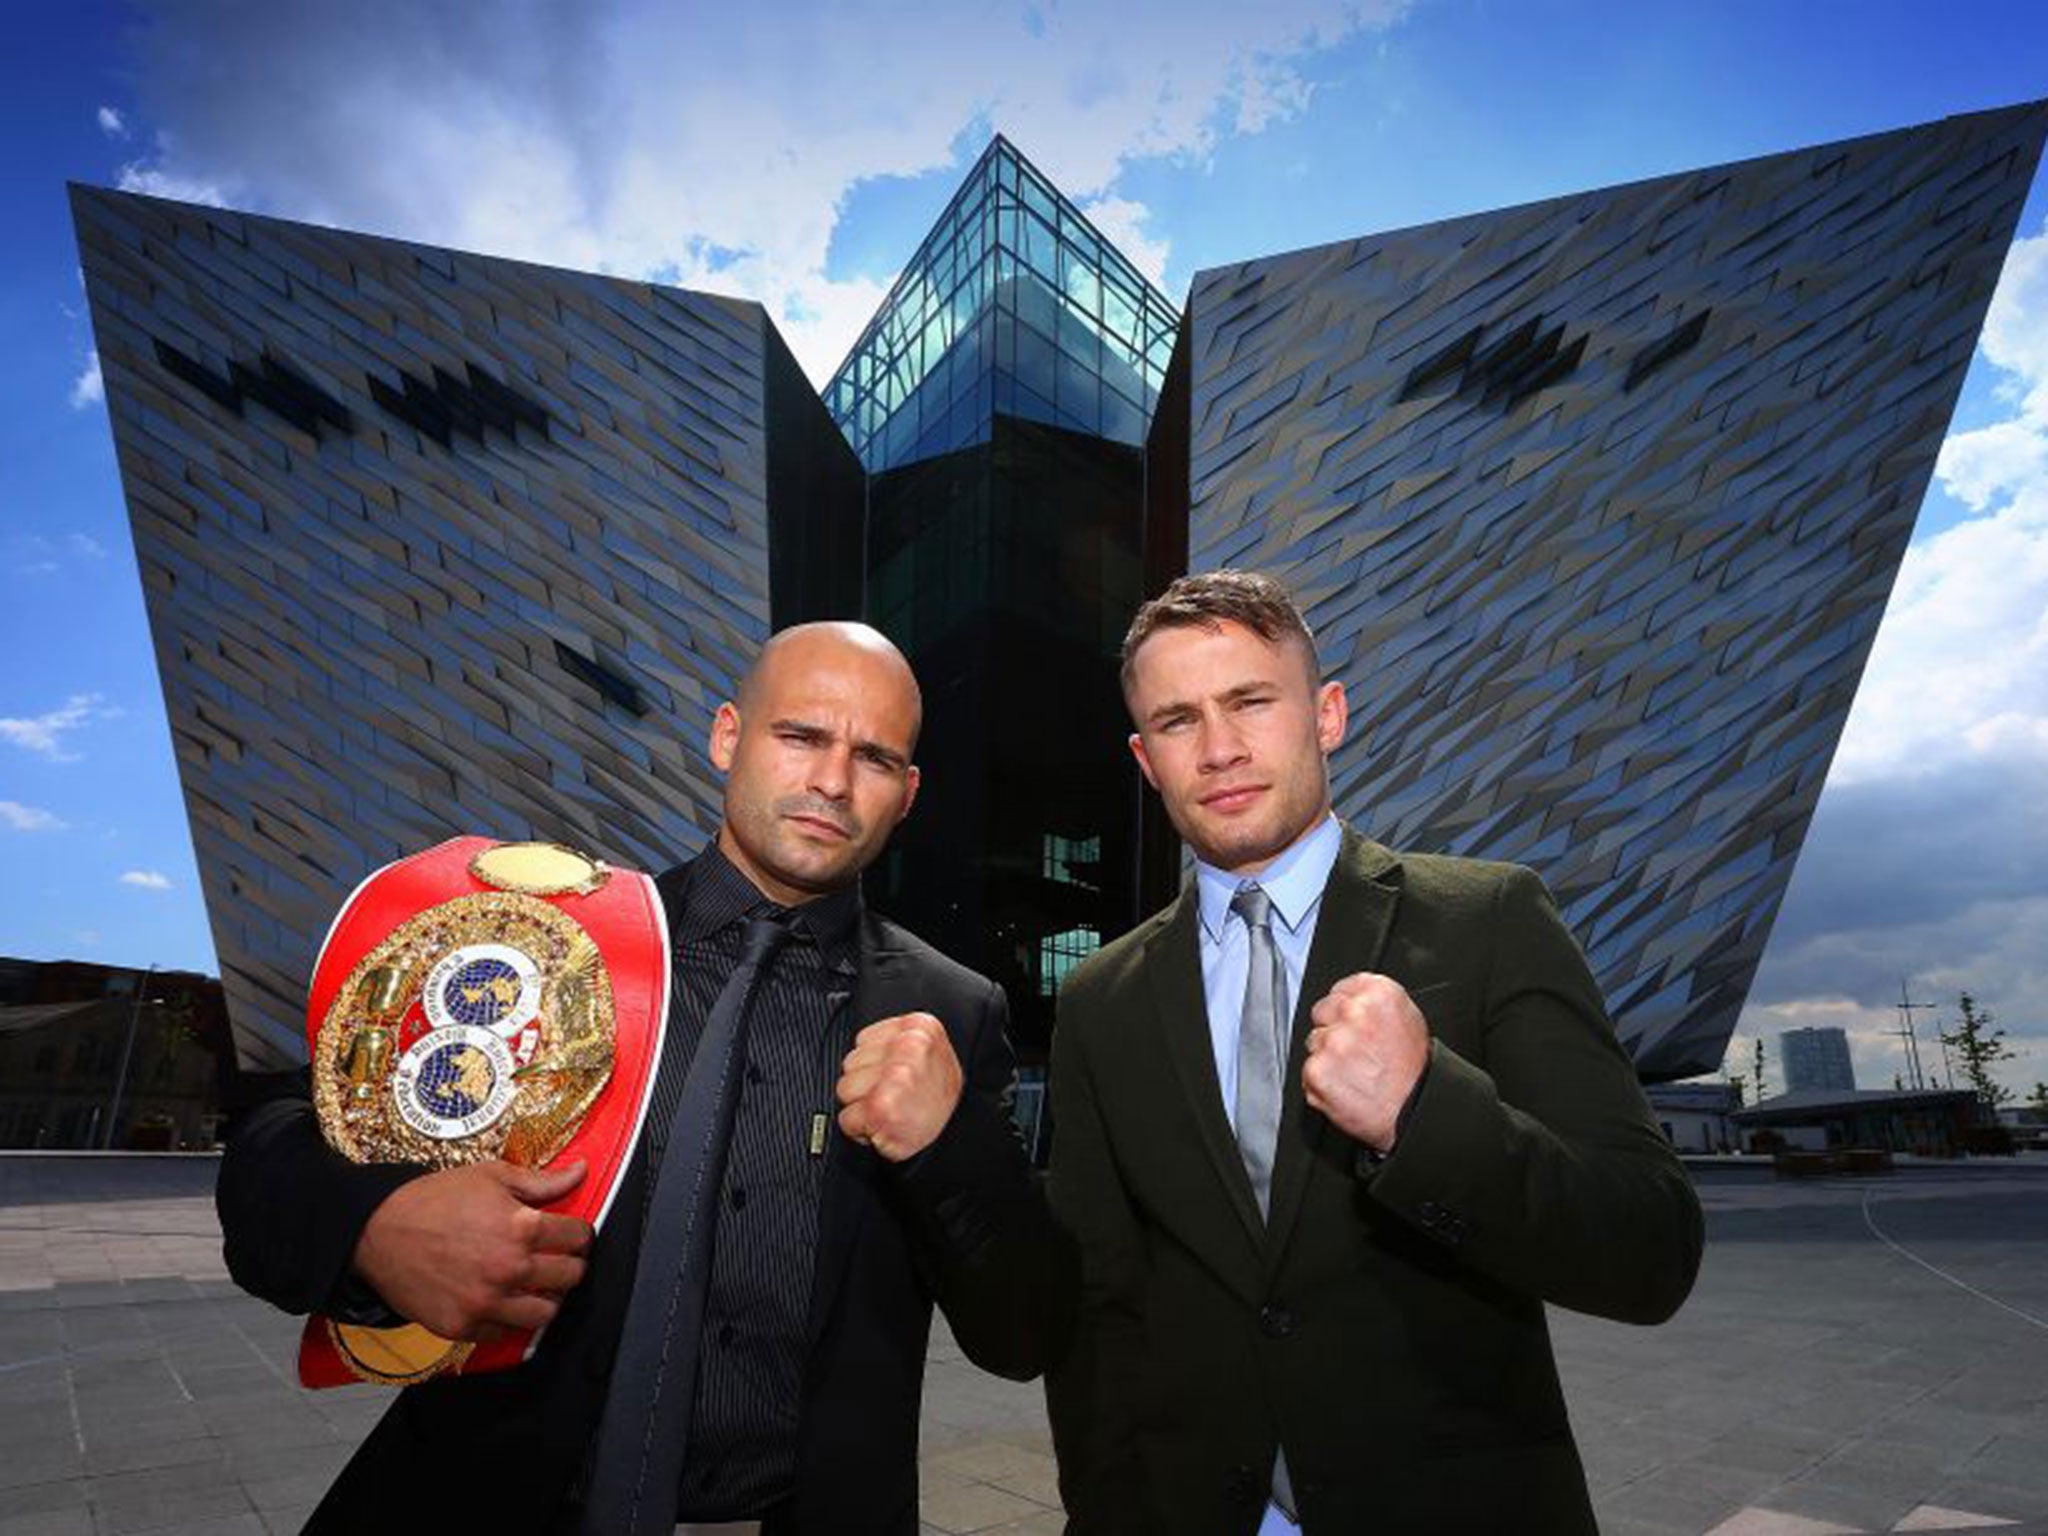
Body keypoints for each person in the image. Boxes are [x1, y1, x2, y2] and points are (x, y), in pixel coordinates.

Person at [218, 621, 1071, 1536]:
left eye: (873, 757)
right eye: (801, 737)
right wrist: (374, 1226)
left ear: (906, 795)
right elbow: (272, 1147)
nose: (831, 780)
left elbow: (1022, 1333)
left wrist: (952, 1146)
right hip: (497, 1501)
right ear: (726, 737)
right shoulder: (560, 935)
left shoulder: (954, 1011)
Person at [1043, 571, 1702, 1536]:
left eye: (1251, 702)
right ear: (1146, 760)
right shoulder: (1100, 999)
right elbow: (1097, 1312)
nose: (1220, 749)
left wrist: (1424, 1111)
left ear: (1328, 714)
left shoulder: (1490, 920)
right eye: (1179, 722)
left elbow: (1650, 1251)